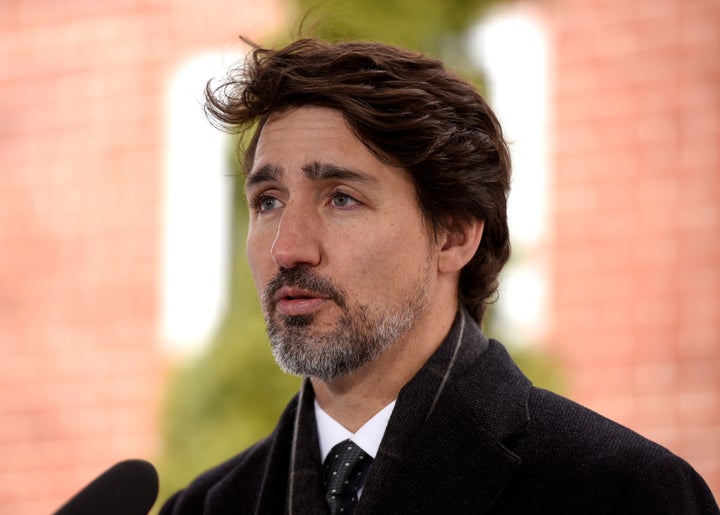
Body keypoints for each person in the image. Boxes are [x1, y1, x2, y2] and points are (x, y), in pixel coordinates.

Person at [160, 38, 719, 514]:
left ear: (453, 235)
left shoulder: (621, 492)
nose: (288, 248)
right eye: (268, 201)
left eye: (342, 198)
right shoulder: (204, 506)